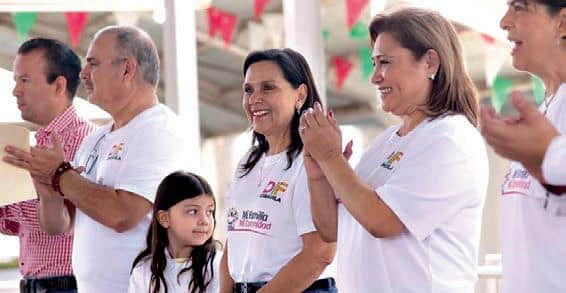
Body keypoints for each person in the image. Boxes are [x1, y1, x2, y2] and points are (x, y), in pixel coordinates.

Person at [299, 7, 488, 292]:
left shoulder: (451, 139)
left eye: (385, 62)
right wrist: (319, 173)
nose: (375, 77)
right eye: (374, 64)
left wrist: (331, 157)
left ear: (430, 63)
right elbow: (333, 229)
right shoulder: (386, 141)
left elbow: (382, 221)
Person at [4, 26, 190, 293]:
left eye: (93, 63)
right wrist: (49, 194)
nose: (83, 74)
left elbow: (122, 215)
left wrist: (60, 175)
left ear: (127, 69)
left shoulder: (158, 129)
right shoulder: (97, 139)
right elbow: (61, 225)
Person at [220, 49, 337, 293]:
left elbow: (320, 252)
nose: (254, 99)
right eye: (248, 90)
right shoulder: (247, 162)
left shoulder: (311, 162)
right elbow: (236, 238)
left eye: (268, 88)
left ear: (300, 95)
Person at [479, 1, 566, 292]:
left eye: (519, 7)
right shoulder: (545, 111)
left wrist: (547, 156)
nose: (504, 21)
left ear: (562, 23)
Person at [0, 38, 95, 293]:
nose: (15, 91)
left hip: (67, 284)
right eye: (15, 81)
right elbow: (19, 226)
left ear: (59, 85)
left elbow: (62, 224)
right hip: (35, 284)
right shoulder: (35, 144)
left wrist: (15, 200)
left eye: (24, 80)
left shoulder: (86, 141)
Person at [129, 171, 220, 293]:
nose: (205, 221)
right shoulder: (144, 271)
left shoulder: (219, 266)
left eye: (209, 212)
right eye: (193, 211)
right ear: (164, 218)